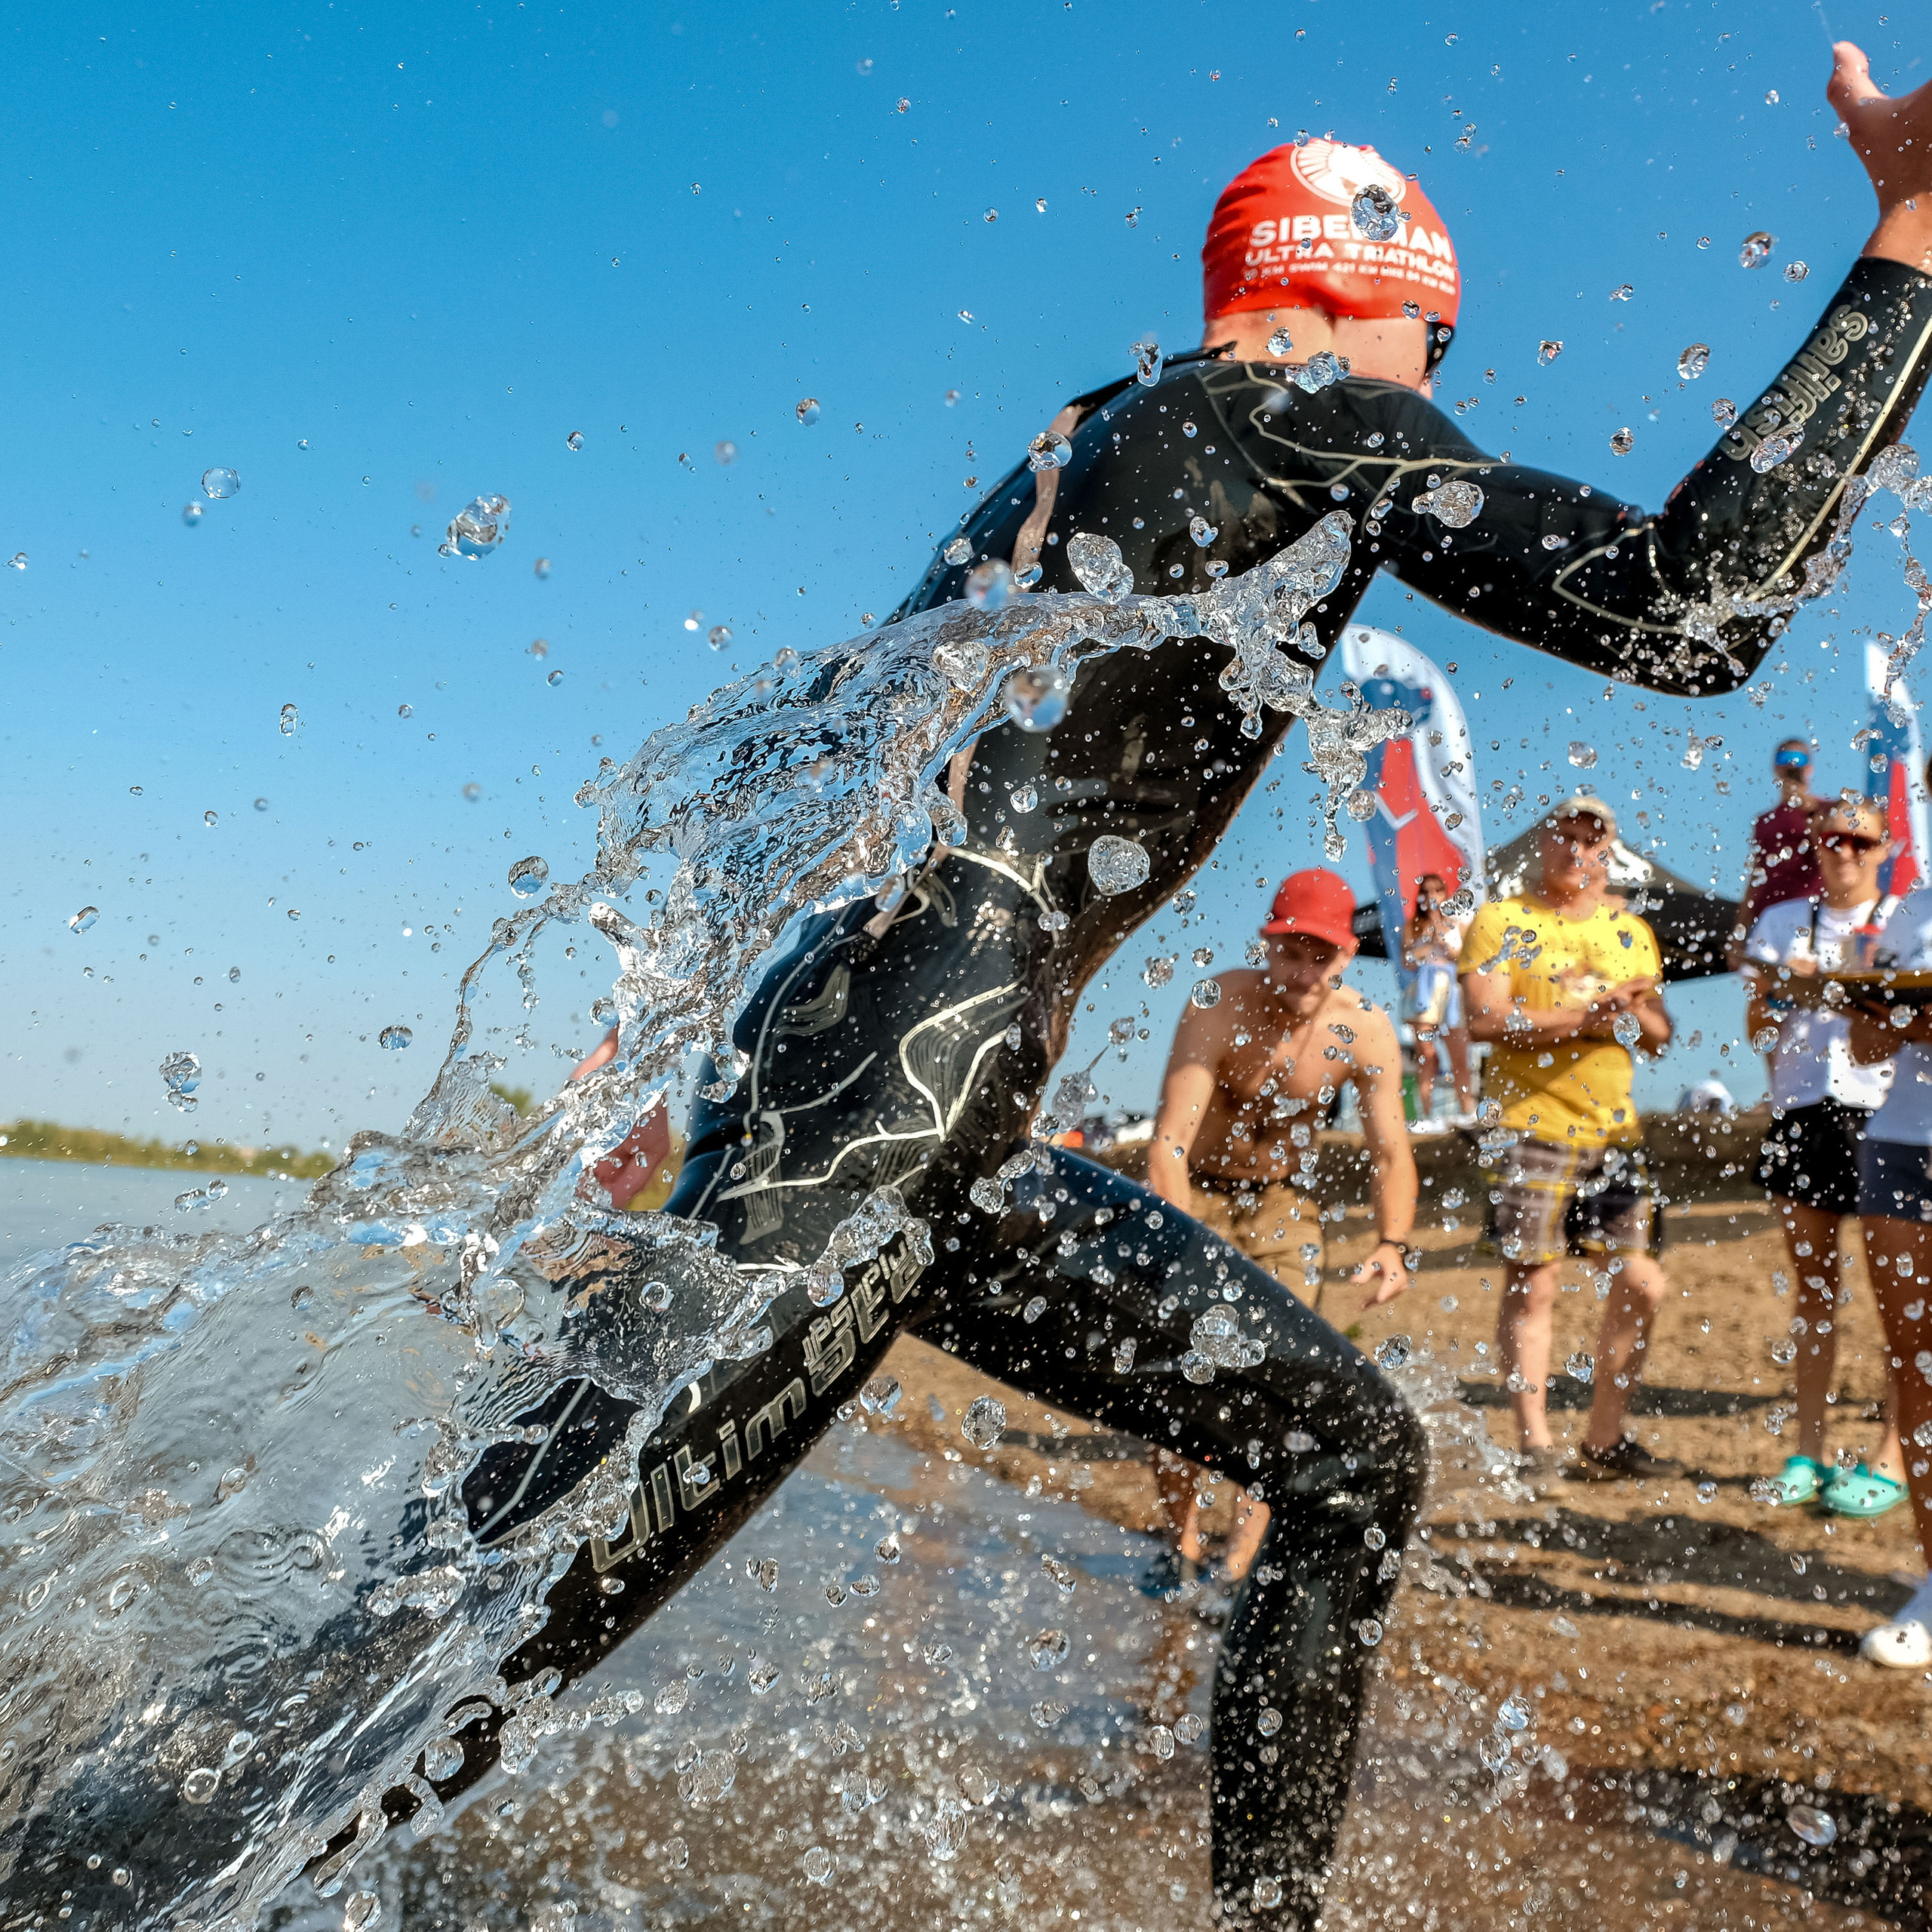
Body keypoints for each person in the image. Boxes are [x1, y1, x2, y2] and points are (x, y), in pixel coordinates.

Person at [277, 46, 1932, 1932]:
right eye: (1439, 355)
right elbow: (1686, 607)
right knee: (435, 1679)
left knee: (1340, 1457)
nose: (1433, 409)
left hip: (900, 1084)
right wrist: (1907, 233)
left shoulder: (1082, 441)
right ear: (1360, 298)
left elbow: (841, 791)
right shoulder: (1296, 406)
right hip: (901, 1099)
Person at [1145, 868, 1419, 1581]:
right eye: (1290, 950)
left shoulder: (1364, 1031)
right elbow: (1169, 1142)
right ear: (1269, 945)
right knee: (1184, 1379)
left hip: (1283, 1204)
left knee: (1279, 1380)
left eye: (1319, 954)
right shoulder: (1221, 1003)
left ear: (1345, 955)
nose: (1303, 968)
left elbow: (1391, 1153)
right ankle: (1182, 1546)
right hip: (1194, 1195)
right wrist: (1186, 1245)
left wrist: (1392, 1245)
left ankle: (1238, 1564)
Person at [1459, 798, 1675, 1494]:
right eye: (1566, 838)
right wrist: (1589, 1015)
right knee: (1535, 1282)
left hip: (1615, 1128)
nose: (1577, 852)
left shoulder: (1631, 930)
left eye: (1592, 841)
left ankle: (1604, 1438)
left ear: (1607, 851)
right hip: (1529, 1122)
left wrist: (1632, 1010)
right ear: (1543, 844)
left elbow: (1660, 1035)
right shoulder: (1501, 919)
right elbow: (1485, 1020)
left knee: (1643, 1281)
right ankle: (1535, 1442)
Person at [1744, 795, 1906, 1513]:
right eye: (1830, 839)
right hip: (1804, 1111)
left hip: (1885, 1114)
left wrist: (1841, 992)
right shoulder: (1783, 923)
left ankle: (1892, 1453)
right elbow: (1755, 1027)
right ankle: (1808, 1450)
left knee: (1898, 1302)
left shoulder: (1904, 919)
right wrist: (1784, 990)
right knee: (1814, 1294)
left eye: (1858, 841)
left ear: (1885, 848)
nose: (1842, 851)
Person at [1847, 891, 1932, 1665]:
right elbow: (1866, 1047)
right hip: (1901, 1146)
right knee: (1913, 1361)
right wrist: (1897, 1018)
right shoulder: (1910, 914)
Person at [1732, 741, 1829, 966]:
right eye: (1786, 759)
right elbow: (1756, 879)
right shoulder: (1765, 821)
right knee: (1760, 994)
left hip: (1811, 919)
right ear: (1776, 767)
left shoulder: (1824, 811)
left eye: (1800, 760)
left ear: (1810, 767)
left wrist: (1808, 808)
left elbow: (1830, 857)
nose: (1792, 766)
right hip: (1768, 919)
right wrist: (1739, 936)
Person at [1402, 870, 1477, 1130]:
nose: (1431, 895)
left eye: (1437, 890)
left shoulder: (1459, 924)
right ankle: (1426, 1114)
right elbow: (1407, 961)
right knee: (1427, 1054)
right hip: (1424, 992)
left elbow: (1468, 960)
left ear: (1446, 894)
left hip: (1452, 993)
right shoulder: (1413, 925)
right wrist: (1427, 944)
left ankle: (1467, 1110)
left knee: (1459, 1055)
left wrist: (1448, 947)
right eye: (1426, 891)